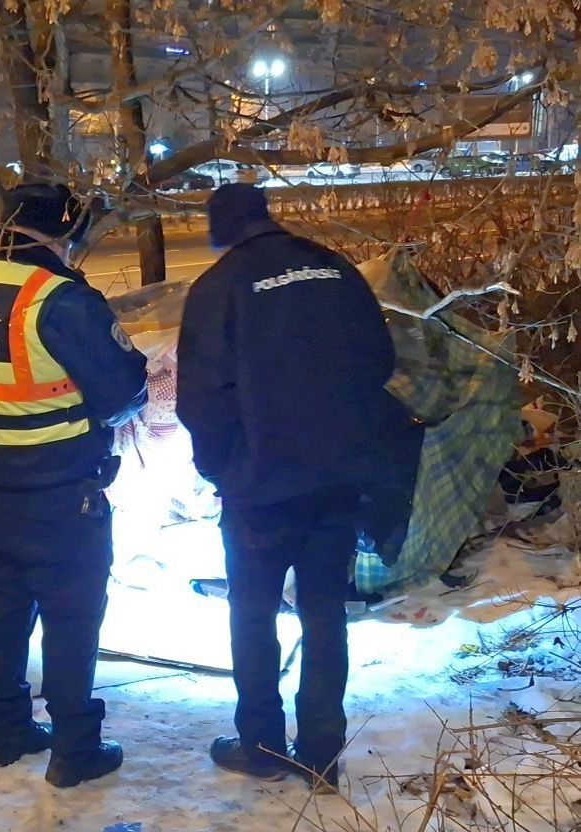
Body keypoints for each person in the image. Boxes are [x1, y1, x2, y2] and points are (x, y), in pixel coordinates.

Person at [0, 183, 147, 788]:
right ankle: (75, 749)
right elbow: (124, 393)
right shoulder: (59, 299)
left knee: (3, 609)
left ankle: (4, 731)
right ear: (63, 232)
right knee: (72, 618)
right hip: (63, 492)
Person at [176, 184, 396, 792]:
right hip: (336, 478)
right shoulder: (334, 269)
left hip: (259, 488)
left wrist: (221, 467)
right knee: (324, 614)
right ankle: (322, 753)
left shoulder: (220, 285)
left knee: (252, 614)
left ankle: (263, 745)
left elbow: (200, 397)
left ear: (221, 228)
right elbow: (380, 362)